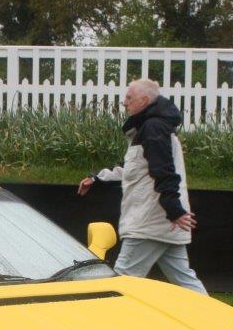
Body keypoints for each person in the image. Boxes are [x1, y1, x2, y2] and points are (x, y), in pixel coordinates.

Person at [77, 77, 206, 294]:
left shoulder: (153, 128)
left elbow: (163, 170)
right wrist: (97, 178)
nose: (124, 103)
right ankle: (212, 320)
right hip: (163, 222)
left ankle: (108, 324)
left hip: (150, 223)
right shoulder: (150, 128)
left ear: (144, 100)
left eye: (129, 98)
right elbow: (132, 168)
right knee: (185, 281)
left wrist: (173, 210)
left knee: (123, 280)